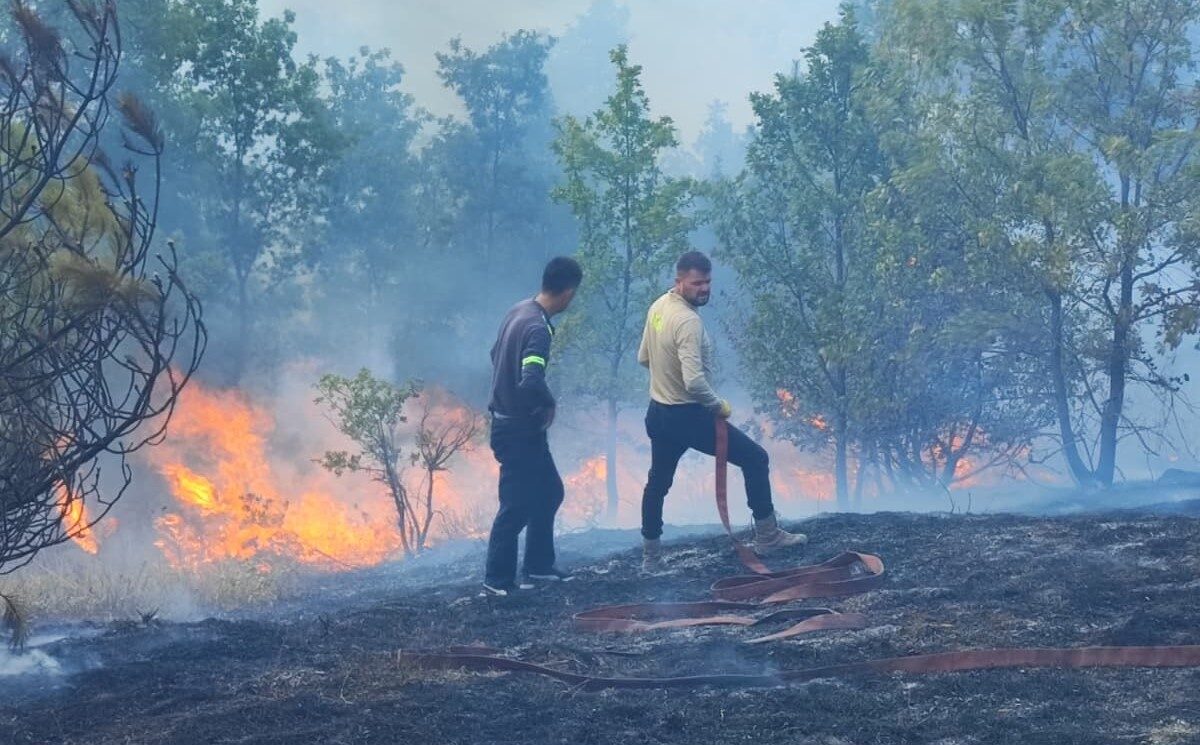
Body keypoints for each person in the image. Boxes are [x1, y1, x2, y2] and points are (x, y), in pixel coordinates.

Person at [637, 250, 806, 573]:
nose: (704, 289)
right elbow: (695, 381)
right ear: (680, 281)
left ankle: (651, 558)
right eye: (697, 283)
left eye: (707, 282)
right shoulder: (687, 321)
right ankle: (768, 536)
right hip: (688, 415)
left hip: (659, 413)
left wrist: (666, 378)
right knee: (755, 458)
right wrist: (719, 405)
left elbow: (644, 358)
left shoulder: (658, 307)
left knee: (657, 483)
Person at [482, 256, 583, 596]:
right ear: (569, 292)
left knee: (550, 491)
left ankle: (538, 566)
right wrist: (549, 402)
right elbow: (530, 378)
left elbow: (495, 354)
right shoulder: (538, 328)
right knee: (516, 505)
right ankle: (496, 581)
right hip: (517, 430)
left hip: (516, 426)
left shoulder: (519, 310)